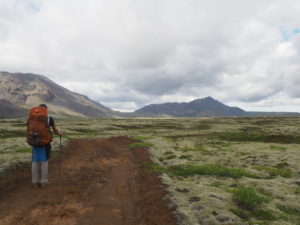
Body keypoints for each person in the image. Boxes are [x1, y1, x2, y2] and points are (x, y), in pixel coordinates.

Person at [27, 104, 62, 188]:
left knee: (35, 161)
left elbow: (28, 128)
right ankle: (44, 181)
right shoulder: (49, 118)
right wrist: (60, 133)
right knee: (44, 161)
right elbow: (55, 130)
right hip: (45, 143)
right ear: (45, 110)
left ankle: (35, 182)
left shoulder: (31, 117)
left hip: (34, 142)